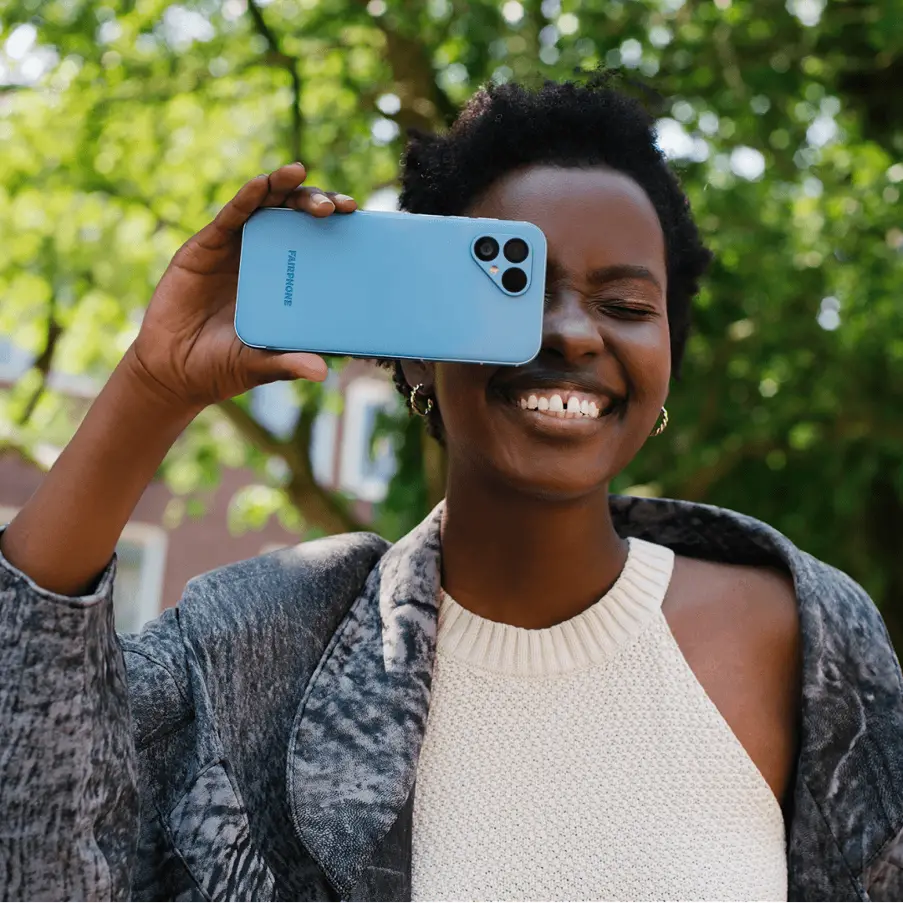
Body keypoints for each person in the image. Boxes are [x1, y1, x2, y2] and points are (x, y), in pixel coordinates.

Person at [1, 76, 902, 903]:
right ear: (415, 350)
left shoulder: (806, 636)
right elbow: (37, 829)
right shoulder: (261, 646)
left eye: (626, 306)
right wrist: (151, 388)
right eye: (513, 289)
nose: (573, 333)